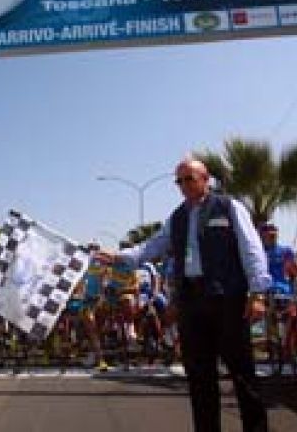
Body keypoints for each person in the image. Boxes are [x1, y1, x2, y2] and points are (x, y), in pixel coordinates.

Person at [96, 158, 271, 432]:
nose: (184, 185)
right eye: (179, 181)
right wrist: (120, 256)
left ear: (206, 179)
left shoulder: (228, 207)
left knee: (242, 374)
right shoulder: (177, 217)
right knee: (199, 378)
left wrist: (258, 292)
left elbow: (251, 249)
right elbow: (152, 246)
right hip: (191, 301)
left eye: (189, 178)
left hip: (227, 298)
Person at [259, 223, 297, 295]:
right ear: (260, 235)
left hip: (280, 289)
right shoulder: (256, 252)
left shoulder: (286, 251)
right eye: (267, 230)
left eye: (274, 230)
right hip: (259, 289)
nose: (271, 233)